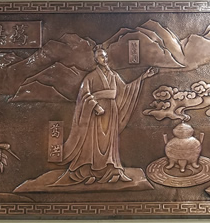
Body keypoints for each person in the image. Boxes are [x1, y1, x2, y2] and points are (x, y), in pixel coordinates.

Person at [55, 46, 157, 185]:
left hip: (112, 110)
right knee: (94, 142)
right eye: (101, 56)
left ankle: (114, 171)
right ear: (96, 59)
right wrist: (95, 106)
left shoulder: (113, 75)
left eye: (105, 56)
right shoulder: (90, 77)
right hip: (97, 111)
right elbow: (84, 95)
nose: (105, 59)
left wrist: (143, 77)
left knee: (110, 142)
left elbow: (125, 89)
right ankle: (90, 172)